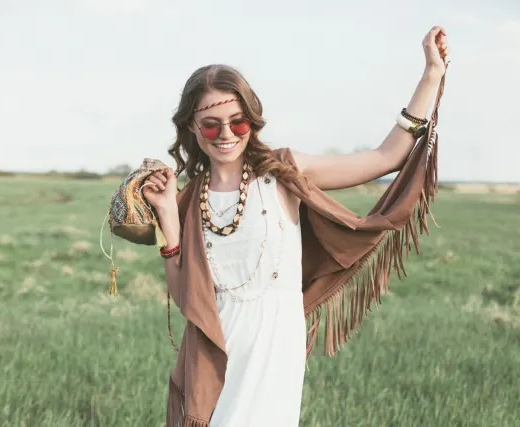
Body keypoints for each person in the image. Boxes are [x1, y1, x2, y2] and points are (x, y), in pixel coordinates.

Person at [142, 26, 449, 427]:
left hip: (274, 341)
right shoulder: (188, 200)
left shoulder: (282, 172)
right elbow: (185, 295)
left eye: (237, 122)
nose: (225, 135)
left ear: (252, 121)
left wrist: (431, 74)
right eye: (211, 124)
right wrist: (167, 215)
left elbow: (385, 157)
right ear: (192, 128)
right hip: (215, 345)